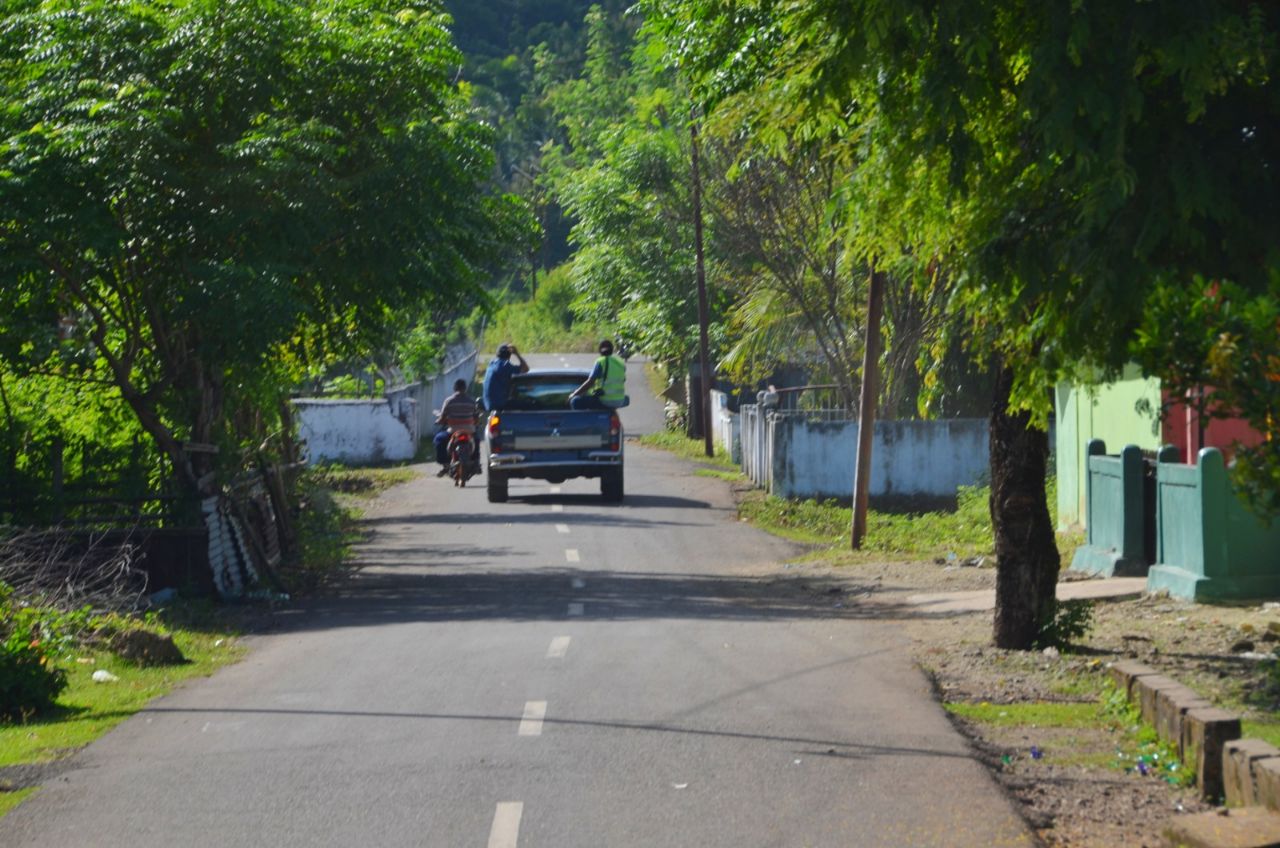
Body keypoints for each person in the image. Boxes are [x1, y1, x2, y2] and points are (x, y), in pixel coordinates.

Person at [435, 379, 481, 477]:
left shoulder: (449, 401)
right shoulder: (471, 401)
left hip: (453, 431)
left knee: (439, 439)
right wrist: (475, 423)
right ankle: (476, 462)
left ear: (455, 388)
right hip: (469, 430)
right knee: (476, 440)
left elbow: (442, 418)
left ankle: (445, 463)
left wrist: (439, 421)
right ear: (465, 388)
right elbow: (476, 418)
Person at [569, 339, 627, 410]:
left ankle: (581, 420)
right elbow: (623, 380)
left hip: (605, 400)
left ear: (600, 350)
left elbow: (590, 382)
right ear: (612, 350)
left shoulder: (601, 361)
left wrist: (574, 394)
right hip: (619, 401)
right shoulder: (620, 362)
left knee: (575, 401)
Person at [482, 342, 529, 412]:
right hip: (499, 405)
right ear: (509, 355)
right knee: (530, 405)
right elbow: (526, 369)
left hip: (488, 405)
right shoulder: (505, 365)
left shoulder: (491, 364)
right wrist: (516, 353)